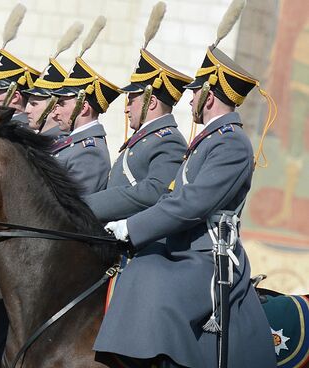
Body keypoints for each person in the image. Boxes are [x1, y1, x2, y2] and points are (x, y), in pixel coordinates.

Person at [97, 43, 277, 368]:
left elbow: (193, 204)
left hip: (208, 258)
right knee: (139, 265)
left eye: (195, 93)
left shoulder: (232, 143)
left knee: (151, 278)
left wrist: (131, 227)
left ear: (209, 97)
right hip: (183, 250)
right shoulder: (209, 140)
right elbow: (172, 197)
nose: (190, 99)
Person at [84, 21, 190, 222]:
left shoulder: (169, 141)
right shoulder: (146, 138)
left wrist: (87, 206)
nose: (126, 107)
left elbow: (154, 192)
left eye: (131, 100)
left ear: (151, 102)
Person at [50, 53, 121, 197]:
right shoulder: (74, 144)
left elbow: (74, 209)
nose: (54, 113)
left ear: (83, 108)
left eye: (62, 104)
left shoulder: (89, 151)